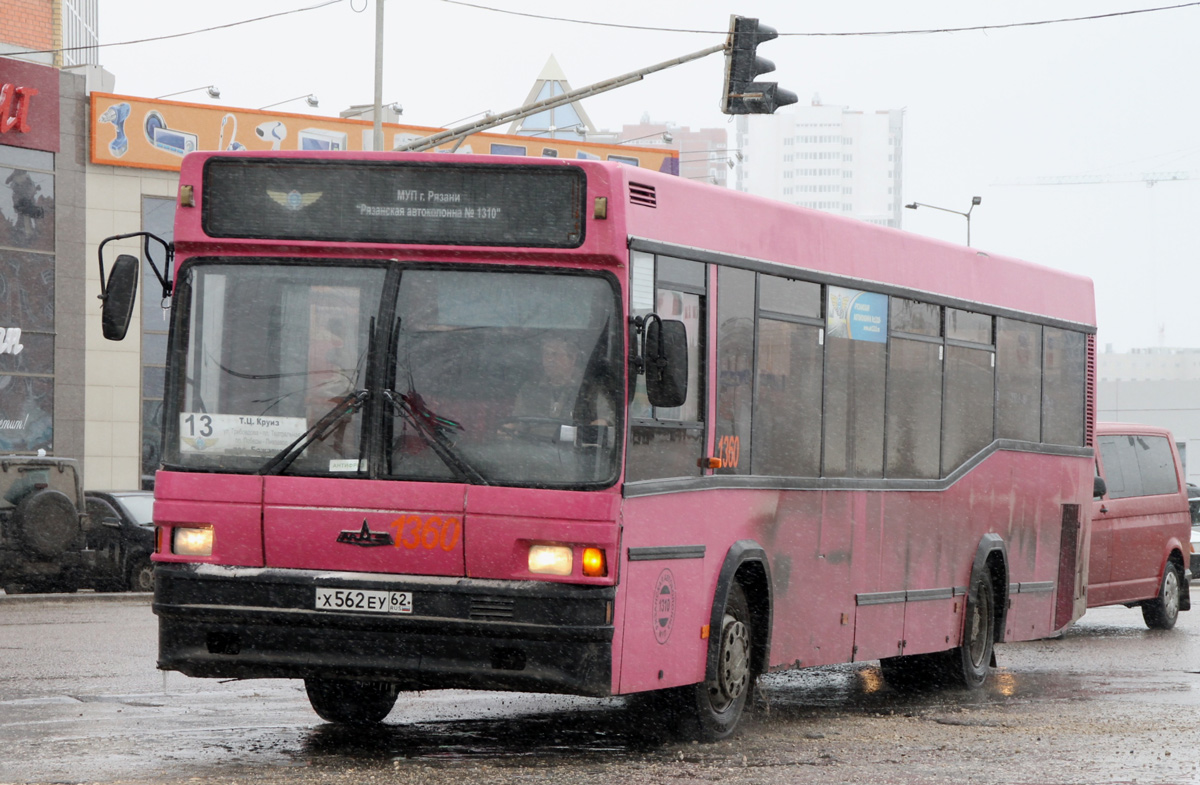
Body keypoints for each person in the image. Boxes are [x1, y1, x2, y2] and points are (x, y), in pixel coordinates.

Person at [503, 337, 614, 439]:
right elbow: (517, 421)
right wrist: (508, 429)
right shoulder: (529, 389)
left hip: (573, 450)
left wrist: (594, 428)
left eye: (555, 354)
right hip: (533, 449)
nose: (550, 360)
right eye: (546, 354)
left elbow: (605, 420)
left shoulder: (590, 389)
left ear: (572, 359)